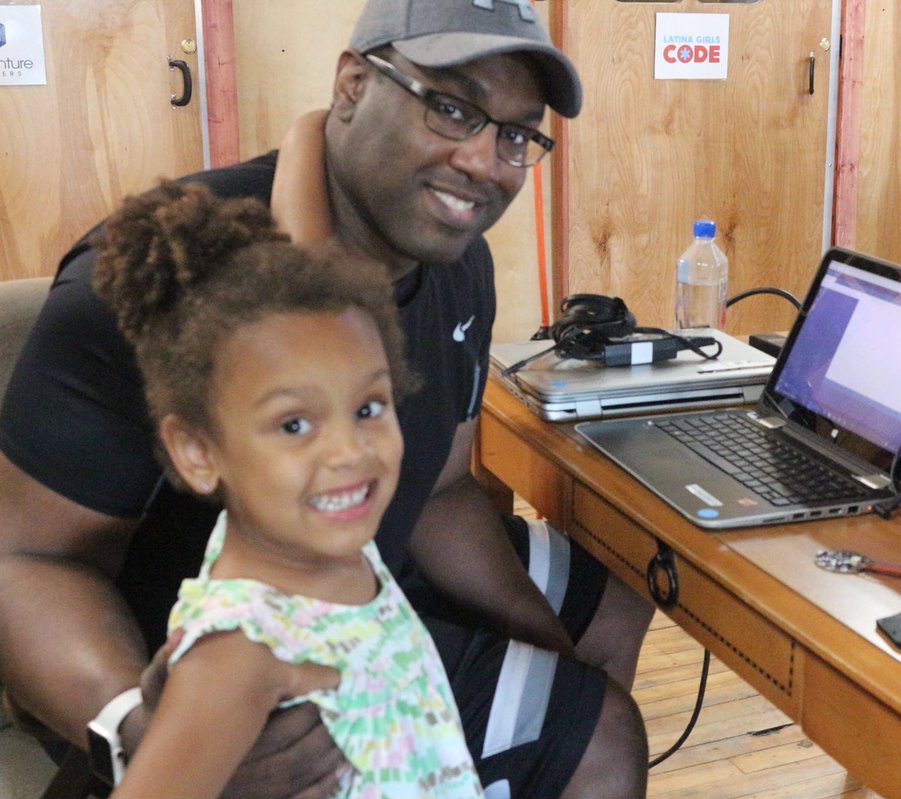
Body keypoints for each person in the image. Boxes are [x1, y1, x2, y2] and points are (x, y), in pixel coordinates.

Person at [0, 1, 651, 797]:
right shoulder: (167, 283)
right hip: (182, 643)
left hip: (364, 566)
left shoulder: (457, 264)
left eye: (516, 133)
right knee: (603, 737)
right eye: (451, 108)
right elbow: (24, 559)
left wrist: (545, 640)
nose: (485, 162)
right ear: (351, 84)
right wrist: (139, 727)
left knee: (612, 607)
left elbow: (439, 486)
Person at [95, 180, 482, 799]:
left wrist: (311, 129)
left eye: (369, 406)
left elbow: (313, 265)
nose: (350, 452)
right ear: (199, 452)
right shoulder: (241, 652)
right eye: (294, 424)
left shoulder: (318, 540)